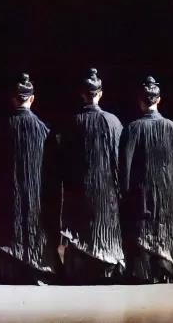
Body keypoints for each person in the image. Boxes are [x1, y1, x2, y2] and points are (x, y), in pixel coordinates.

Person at [0, 73, 58, 283]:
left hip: (9, 190)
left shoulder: (2, 128)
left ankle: (8, 270)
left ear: (13, 99)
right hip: (36, 191)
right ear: (32, 98)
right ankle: (35, 267)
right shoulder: (44, 129)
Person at [56, 68, 125, 283]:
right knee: (105, 229)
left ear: (82, 94)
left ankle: (80, 270)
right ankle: (107, 269)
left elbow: (63, 160)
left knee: (81, 231)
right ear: (100, 94)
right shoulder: (113, 122)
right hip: (107, 189)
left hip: (80, 188)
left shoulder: (72, 123)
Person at [121, 76, 173, 283]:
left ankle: (145, 272)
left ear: (140, 101)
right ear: (158, 100)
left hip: (142, 194)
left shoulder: (132, 129)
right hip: (168, 193)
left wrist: (125, 195)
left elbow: (125, 167)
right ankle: (167, 268)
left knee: (143, 233)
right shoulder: (172, 128)